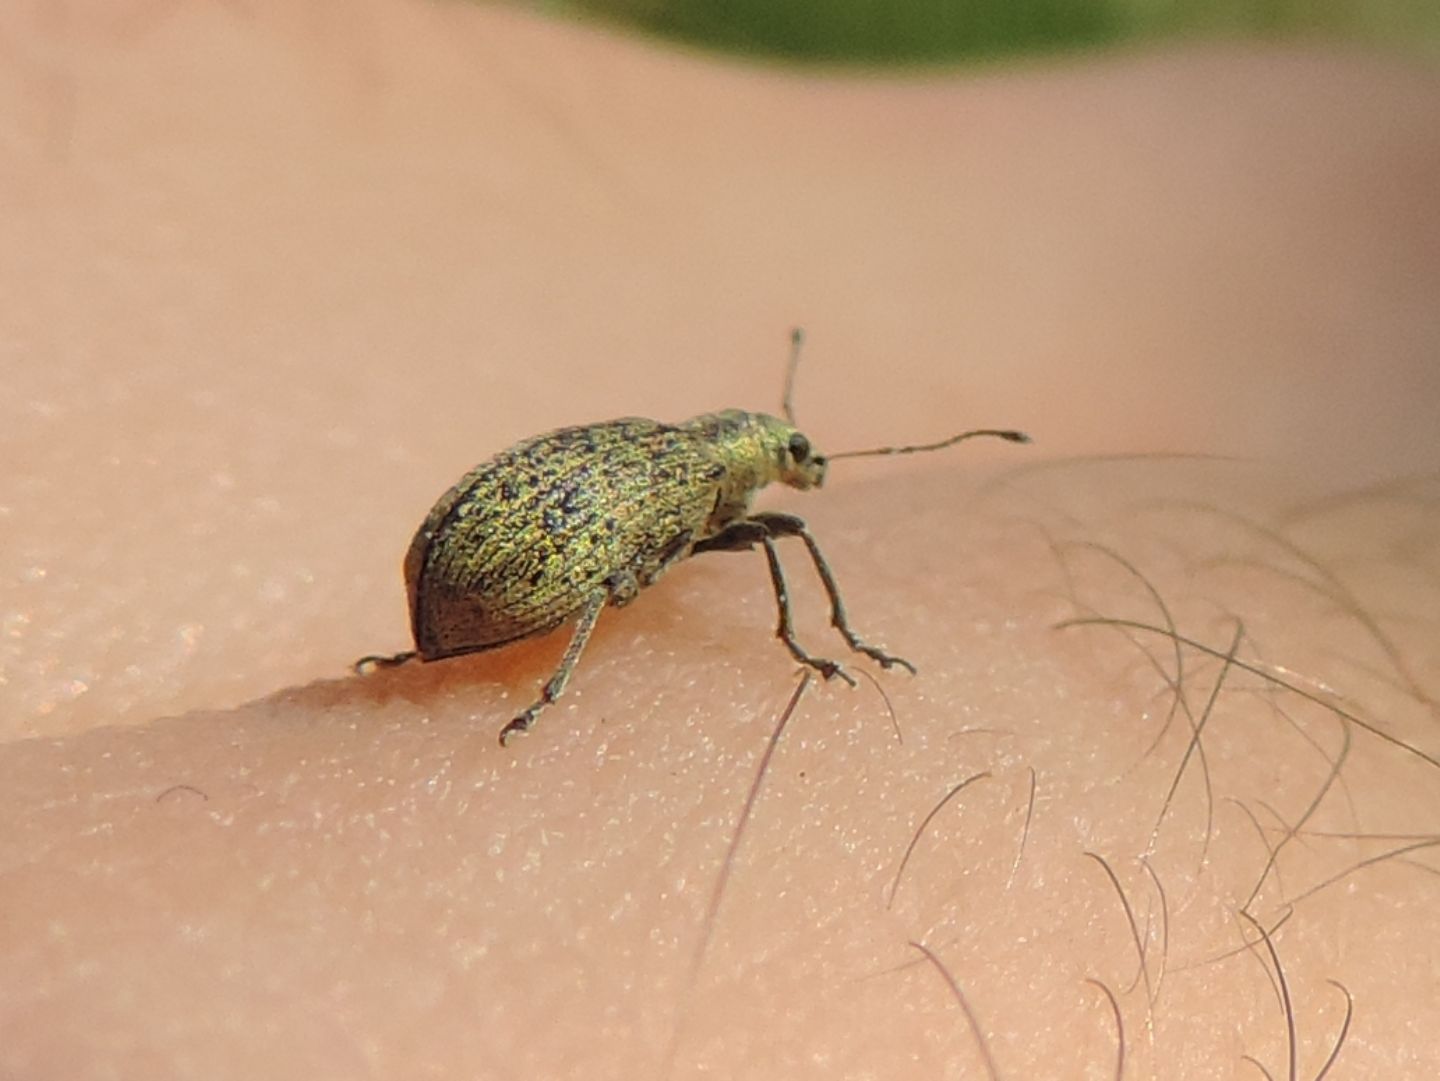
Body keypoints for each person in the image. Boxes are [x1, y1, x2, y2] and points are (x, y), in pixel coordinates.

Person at [3, 3, 1437, 1075]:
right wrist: (561, 672)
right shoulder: (680, 496)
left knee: (691, 560)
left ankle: (695, 650)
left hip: (462, 552)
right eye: (788, 459)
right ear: (750, 458)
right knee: (654, 574)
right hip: (499, 568)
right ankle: (581, 677)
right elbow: (607, 552)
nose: (797, 480)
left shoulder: (677, 462)